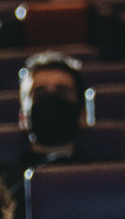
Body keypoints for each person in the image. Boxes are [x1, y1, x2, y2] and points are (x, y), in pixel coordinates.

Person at [12, 50, 90, 182]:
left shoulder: (104, 176)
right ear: (23, 118)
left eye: (61, 94)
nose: (50, 101)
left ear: (83, 115)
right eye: (40, 95)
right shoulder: (3, 183)